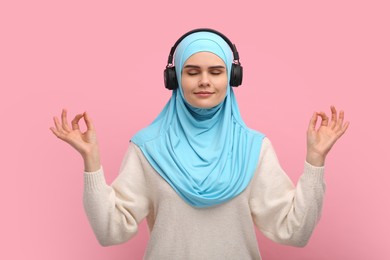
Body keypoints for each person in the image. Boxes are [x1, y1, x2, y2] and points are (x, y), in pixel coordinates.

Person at [50, 28, 349, 259]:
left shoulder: (254, 148)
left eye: (216, 72)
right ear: (175, 79)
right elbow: (109, 231)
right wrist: (91, 161)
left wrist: (315, 161)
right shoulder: (147, 148)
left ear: (232, 77)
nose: (204, 81)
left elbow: (295, 232)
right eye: (192, 72)